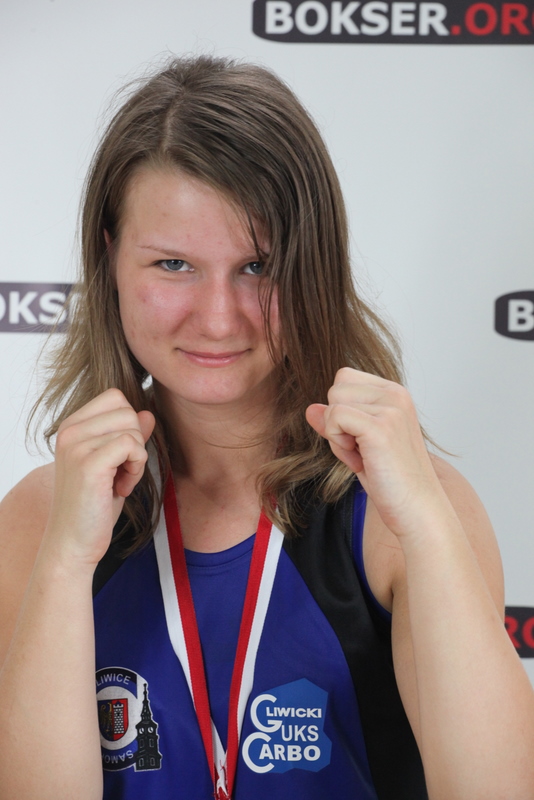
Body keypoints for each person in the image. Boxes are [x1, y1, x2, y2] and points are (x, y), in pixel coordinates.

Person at [0, 55, 532, 800]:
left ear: (315, 269)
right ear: (110, 258)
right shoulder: (39, 518)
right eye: (174, 264)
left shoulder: (402, 513)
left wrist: (427, 523)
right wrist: (64, 563)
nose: (219, 318)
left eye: (258, 267)